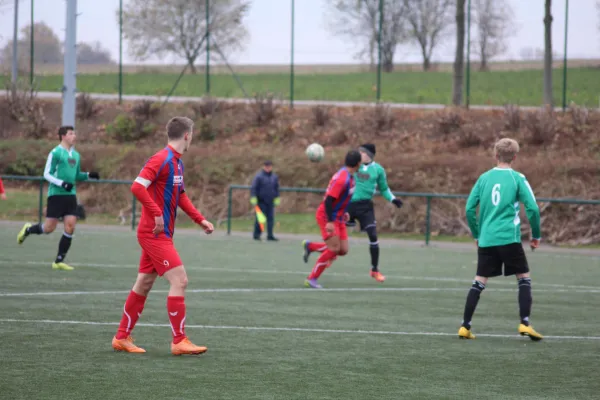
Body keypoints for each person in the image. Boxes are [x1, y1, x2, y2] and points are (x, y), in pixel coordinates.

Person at [111, 116, 215, 355]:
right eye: (193, 135)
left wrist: (200, 220)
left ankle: (121, 337)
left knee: (144, 283)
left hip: (162, 233)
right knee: (180, 280)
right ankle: (179, 340)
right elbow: (137, 186)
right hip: (153, 233)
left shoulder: (178, 163)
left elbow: (181, 197)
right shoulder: (162, 158)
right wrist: (157, 213)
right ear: (187, 135)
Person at [458, 138, 543, 341]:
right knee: (523, 278)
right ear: (514, 157)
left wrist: (477, 234)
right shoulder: (517, 178)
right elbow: (532, 208)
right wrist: (536, 234)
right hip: (508, 238)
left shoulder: (484, 178)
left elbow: (469, 208)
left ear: (495, 156)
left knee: (479, 281)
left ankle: (465, 326)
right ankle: (524, 323)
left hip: (487, 238)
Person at [17, 126, 99, 271]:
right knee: (49, 228)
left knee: (70, 225)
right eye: (71, 133)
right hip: (56, 194)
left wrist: (88, 175)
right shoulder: (55, 153)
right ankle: (28, 230)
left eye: (74, 133)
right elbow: (46, 174)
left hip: (71, 195)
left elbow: (76, 175)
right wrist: (62, 183)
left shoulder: (76, 155)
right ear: (63, 136)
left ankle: (59, 260)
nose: (74, 136)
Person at [302, 150, 362, 289]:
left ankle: (310, 246)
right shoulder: (343, 178)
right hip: (327, 216)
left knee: (343, 250)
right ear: (358, 163)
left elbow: (340, 198)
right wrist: (329, 221)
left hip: (339, 217)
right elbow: (329, 200)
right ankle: (311, 279)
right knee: (334, 248)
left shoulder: (349, 175)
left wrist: (344, 212)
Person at [345, 143, 403, 283]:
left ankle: (375, 270)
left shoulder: (378, 170)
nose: (359, 154)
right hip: (349, 205)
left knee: (373, 235)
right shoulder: (354, 167)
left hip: (366, 207)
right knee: (337, 235)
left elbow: (384, 189)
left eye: (362, 152)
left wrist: (393, 199)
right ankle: (321, 253)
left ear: (368, 155)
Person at [250, 160, 280, 241]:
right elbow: (254, 187)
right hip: (261, 201)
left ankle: (270, 235)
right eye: (266, 166)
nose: (268, 168)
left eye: (269, 166)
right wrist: (253, 196)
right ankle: (256, 234)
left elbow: (276, 188)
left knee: (271, 219)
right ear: (264, 167)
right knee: (260, 219)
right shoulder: (259, 176)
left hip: (270, 201)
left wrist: (277, 197)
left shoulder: (274, 177)